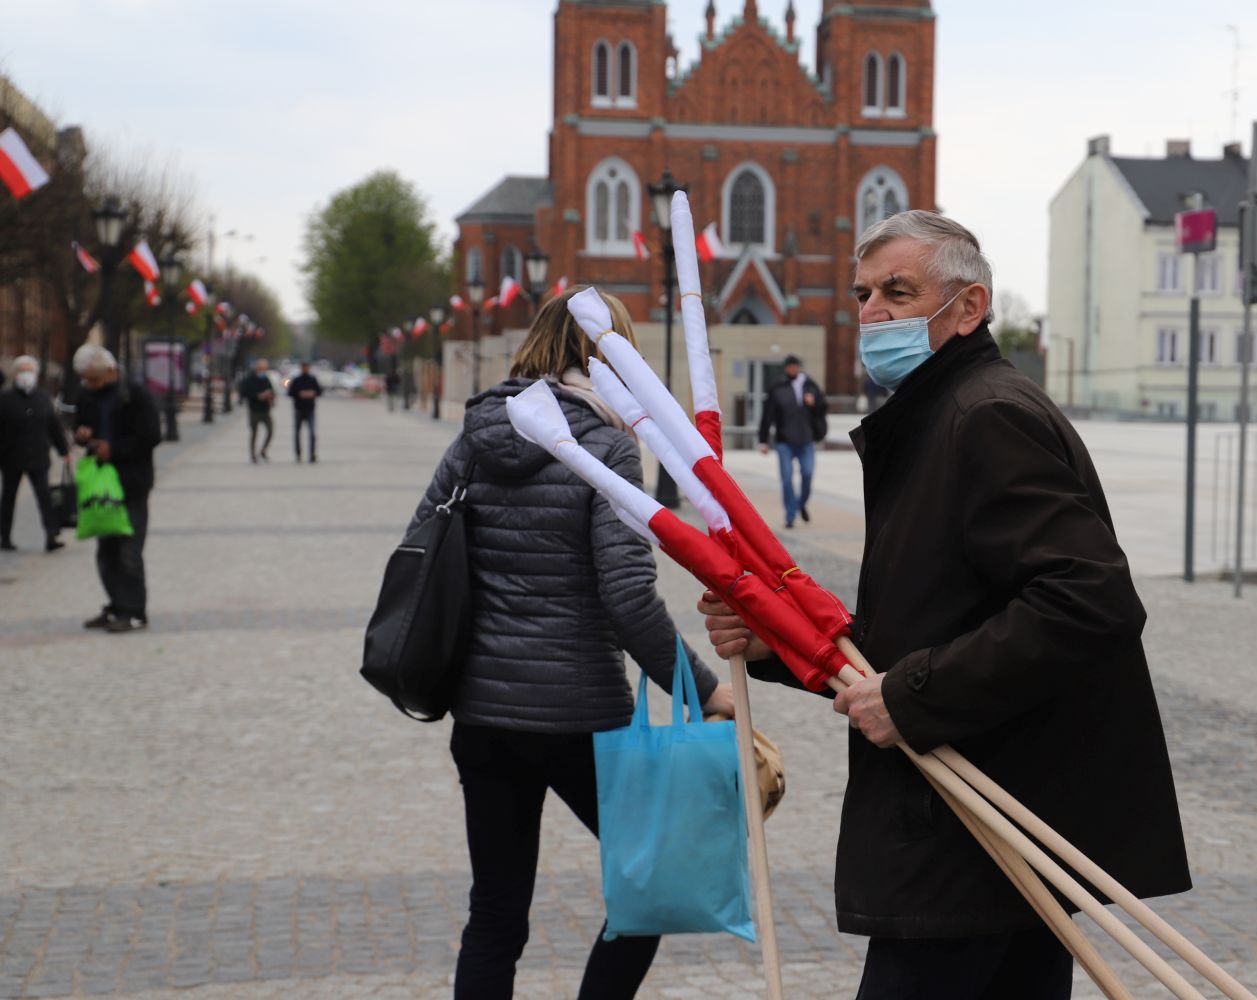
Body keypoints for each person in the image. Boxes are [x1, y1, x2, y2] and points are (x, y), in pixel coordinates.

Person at [700, 211, 1190, 1000]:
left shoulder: (984, 416)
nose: (873, 312)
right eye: (863, 294)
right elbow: (920, 629)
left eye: (899, 291)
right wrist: (775, 646)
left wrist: (916, 695)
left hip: (981, 817)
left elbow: (1088, 599)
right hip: (975, 819)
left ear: (968, 307)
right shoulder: (934, 418)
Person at [410, 286, 734, 999]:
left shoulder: (474, 436)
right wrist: (708, 690)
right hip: (579, 717)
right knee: (650, 891)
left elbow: (418, 553)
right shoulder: (608, 444)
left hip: (484, 713)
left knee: (494, 915)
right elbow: (627, 599)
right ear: (611, 357)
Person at [73, 344, 160, 633]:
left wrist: (116, 450)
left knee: (129, 550)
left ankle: (135, 613)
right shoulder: (86, 395)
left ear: (110, 371)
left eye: (94, 379)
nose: (90, 384)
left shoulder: (135, 394)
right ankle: (116, 607)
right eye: (86, 379)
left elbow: (151, 436)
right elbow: (81, 425)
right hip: (101, 483)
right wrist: (83, 435)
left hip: (131, 482)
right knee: (106, 551)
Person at [0, 356, 70, 553]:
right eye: (22, 370)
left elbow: (54, 427)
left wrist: (64, 450)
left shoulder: (43, 398)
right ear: (15, 375)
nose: (26, 375)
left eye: (29, 371)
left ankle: (51, 535)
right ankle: (5, 536)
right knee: (8, 498)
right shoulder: (5, 399)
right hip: (11, 457)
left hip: (38, 456)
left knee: (45, 497)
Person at [756, 353, 827, 529]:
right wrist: (763, 440)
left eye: (795, 366)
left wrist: (814, 402)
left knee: (808, 474)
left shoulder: (810, 386)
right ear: (786, 368)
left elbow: (823, 408)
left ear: (799, 367)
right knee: (786, 478)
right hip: (784, 441)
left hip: (806, 440)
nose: (793, 369)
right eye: (790, 367)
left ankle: (800, 503)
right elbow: (767, 415)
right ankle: (790, 515)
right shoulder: (777, 388)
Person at [239, 358, 276, 463]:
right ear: (257, 368)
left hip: (265, 410)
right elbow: (244, 392)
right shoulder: (249, 379)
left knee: (270, 430)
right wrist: (257, 396)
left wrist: (270, 396)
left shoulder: (266, 379)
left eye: (265, 369)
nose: (263, 371)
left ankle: (263, 450)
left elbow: (272, 391)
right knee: (254, 433)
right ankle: (253, 455)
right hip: (254, 410)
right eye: (261, 368)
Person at [287, 361, 323, 462]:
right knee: (297, 433)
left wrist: (313, 393)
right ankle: (298, 454)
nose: (306, 369)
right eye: (304, 367)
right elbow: (290, 393)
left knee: (312, 433)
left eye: (307, 367)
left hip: (310, 409)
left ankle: (312, 454)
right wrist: (300, 394)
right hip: (299, 409)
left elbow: (319, 391)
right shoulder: (296, 380)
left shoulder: (312, 379)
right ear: (301, 368)